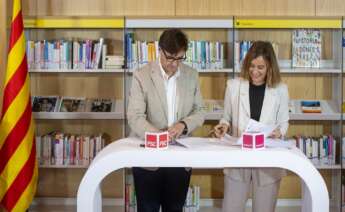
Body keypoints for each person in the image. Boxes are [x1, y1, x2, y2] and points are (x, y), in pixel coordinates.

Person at [127, 28, 205, 212]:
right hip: (148, 158)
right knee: (148, 208)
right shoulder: (141, 75)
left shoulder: (191, 75)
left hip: (179, 156)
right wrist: (159, 135)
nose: (174, 64)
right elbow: (135, 116)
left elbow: (200, 111)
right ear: (159, 50)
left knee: (175, 208)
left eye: (179, 58)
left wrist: (183, 124)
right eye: (170, 57)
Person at [212, 41, 289, 212]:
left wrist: (279, 132)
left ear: (270, 67)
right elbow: (226, 117)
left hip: (267, 159)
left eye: (260, 67)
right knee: (231, 208)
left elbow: (284, 123)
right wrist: (223, 126)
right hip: (239, 157)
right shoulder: (233, 86)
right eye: (251, 66)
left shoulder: (281, 89)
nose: (254, 72)